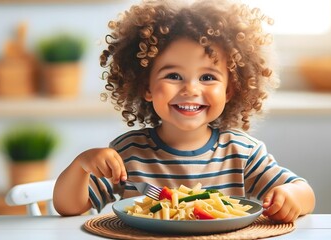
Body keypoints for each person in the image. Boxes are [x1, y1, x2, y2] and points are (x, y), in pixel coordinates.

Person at [53, 0, 315, 223]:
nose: (190, 89)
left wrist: (291, 197)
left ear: (229, 91)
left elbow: (304, 192)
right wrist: (81, 165)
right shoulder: (127, 153)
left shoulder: (243, 152)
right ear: (146, 86)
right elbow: (69, 207)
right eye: (174, 75)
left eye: (208, 77)